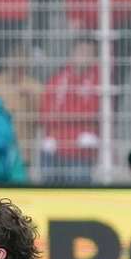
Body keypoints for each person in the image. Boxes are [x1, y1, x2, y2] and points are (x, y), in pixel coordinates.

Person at [39, 36, 99, 184]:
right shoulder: (58, 78)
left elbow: (94, 113)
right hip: (55, 145)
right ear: (73, 52)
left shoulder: (99, 81)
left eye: (88, 53)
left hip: (81, 150)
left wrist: (65, 116)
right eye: (81, 51)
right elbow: (46, 112)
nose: (83, 57)